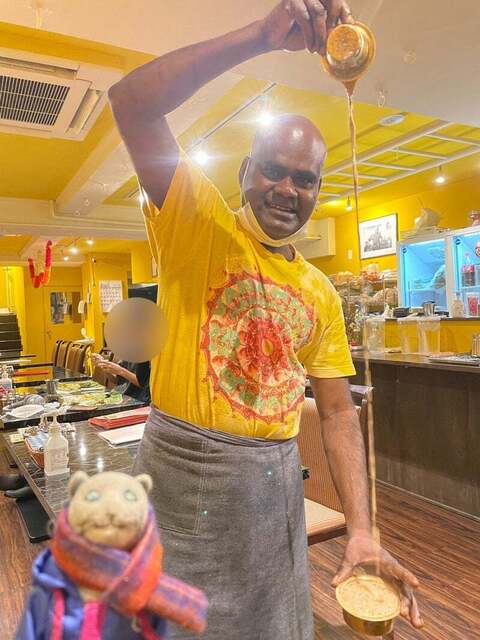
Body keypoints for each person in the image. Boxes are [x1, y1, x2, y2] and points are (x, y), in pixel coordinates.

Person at [108, 1, 423, 638]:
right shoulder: (196, 221)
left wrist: (362, 529)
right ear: (245, 172)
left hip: (271, 489)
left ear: (318, 190)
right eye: (273, 171)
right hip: (177, 476)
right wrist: (260, 36)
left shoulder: (319, 292)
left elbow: (337, 413)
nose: (287, 190)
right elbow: (130, 102)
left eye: (304, 180)